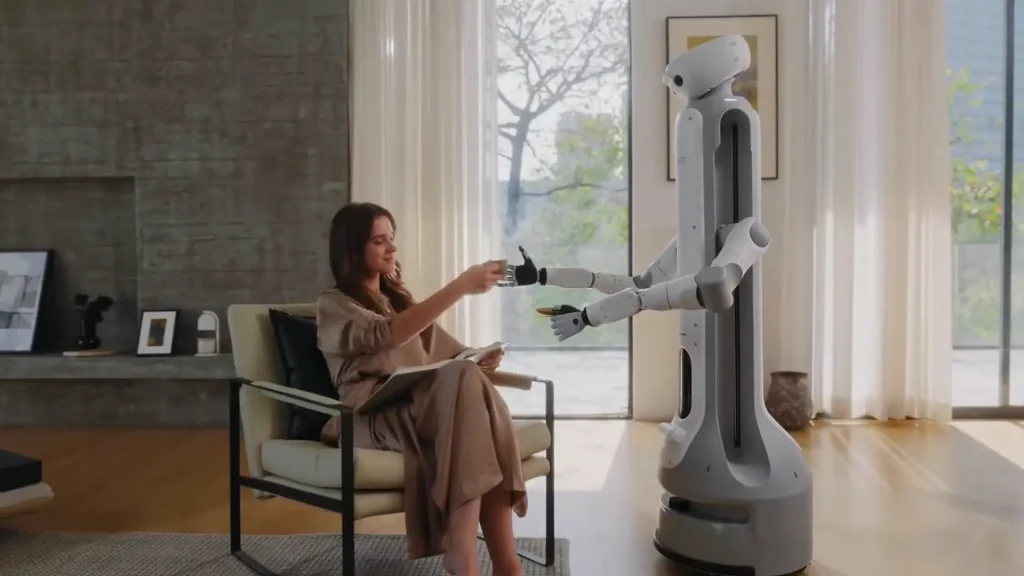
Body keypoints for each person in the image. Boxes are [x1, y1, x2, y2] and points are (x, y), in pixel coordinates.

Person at [316, 202, 527, 576]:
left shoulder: (398, 301)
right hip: (368, 417)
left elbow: (448, 353)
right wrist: (460, 286)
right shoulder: (333, 306)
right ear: (352, 249)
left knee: (467, 378)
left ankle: (491, 559)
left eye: (391, 238)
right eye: (379, 241)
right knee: (471, 399)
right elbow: (388, 335)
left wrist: (478, 357)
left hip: (419, 409)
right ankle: (488, 558)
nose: (392, 248)